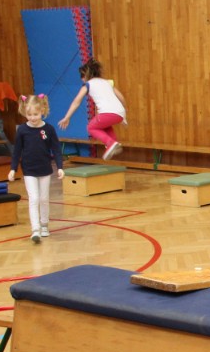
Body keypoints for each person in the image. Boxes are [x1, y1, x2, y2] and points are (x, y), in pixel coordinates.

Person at [8, 94, 63, 244]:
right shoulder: (22, 130)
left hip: (45, 169)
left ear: (42, 111)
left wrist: (60, 167)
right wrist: (13, 168)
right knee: (34, 199)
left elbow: (56, 149)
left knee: (44, 199)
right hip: (29, 170)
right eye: (29, 115)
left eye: (36, 114)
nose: (32, 118)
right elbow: (17, 151)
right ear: (25, 112)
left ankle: (44, 224)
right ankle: (35, 229)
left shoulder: (48, 129)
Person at [58, 58, 128, 161]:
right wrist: (124, 112)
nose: (81, 79)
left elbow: (76, 101)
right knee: (104, 125)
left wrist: (67, 117)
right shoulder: (107, 82)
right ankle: (114, 142)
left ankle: (110, 143)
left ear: (85, 76)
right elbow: (121, 97)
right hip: (120, 113)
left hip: (108, 113)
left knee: (91, 127)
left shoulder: (88, 85)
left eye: (82, 76)